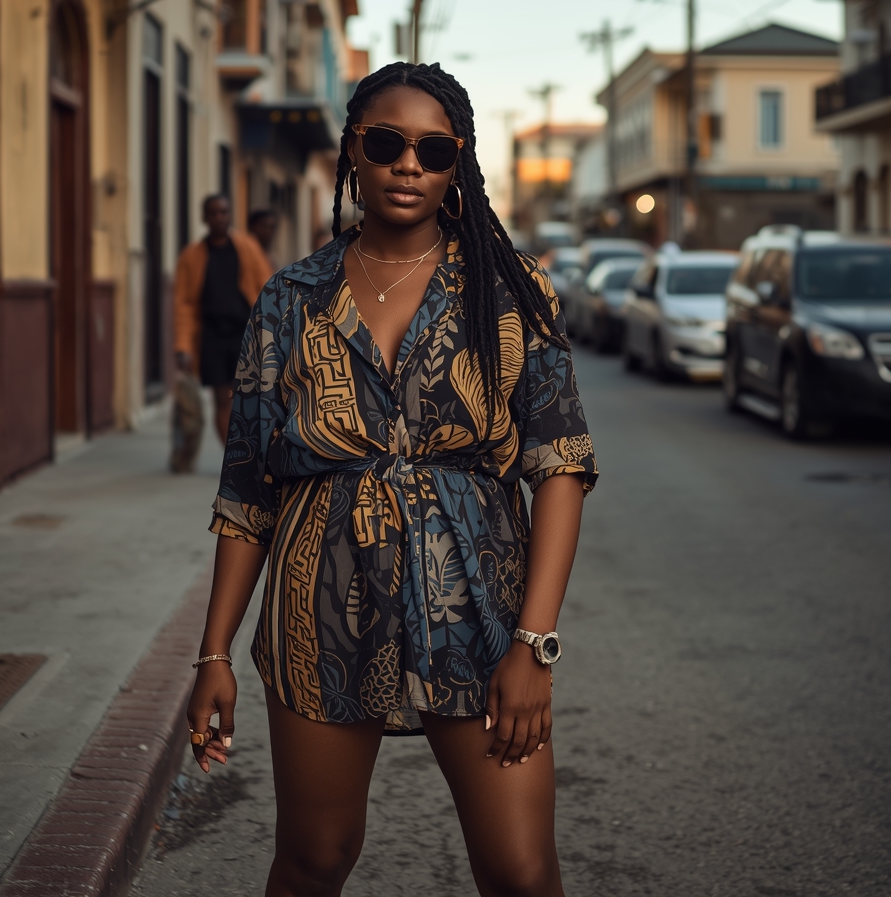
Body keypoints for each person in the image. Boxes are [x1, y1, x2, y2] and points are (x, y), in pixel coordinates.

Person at [187, 63, 598, 897]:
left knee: (522, 873)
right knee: (314, 860)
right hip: (319, 615)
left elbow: (560, 468)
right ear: (352, 152)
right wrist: (213, 653)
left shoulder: (511, 292)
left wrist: (535, 644)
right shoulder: (289, 301)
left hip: (480, 615)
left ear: (458, 165)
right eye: (386, 144)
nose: (409, 165)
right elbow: (246, 495)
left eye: (434, 150)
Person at [174, 194, 273, 445]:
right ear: (204, 218)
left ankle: (249, 448)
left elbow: (267, 288)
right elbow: (184, 305)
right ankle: (232, 455)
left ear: (230, 215)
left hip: (245, 332)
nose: (219, 217)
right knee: (221, 397)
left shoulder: (247, 247)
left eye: (223, 212)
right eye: (213, 213)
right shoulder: (192, 256)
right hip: (211, 334)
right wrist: (184, 346)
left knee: (246, 395)